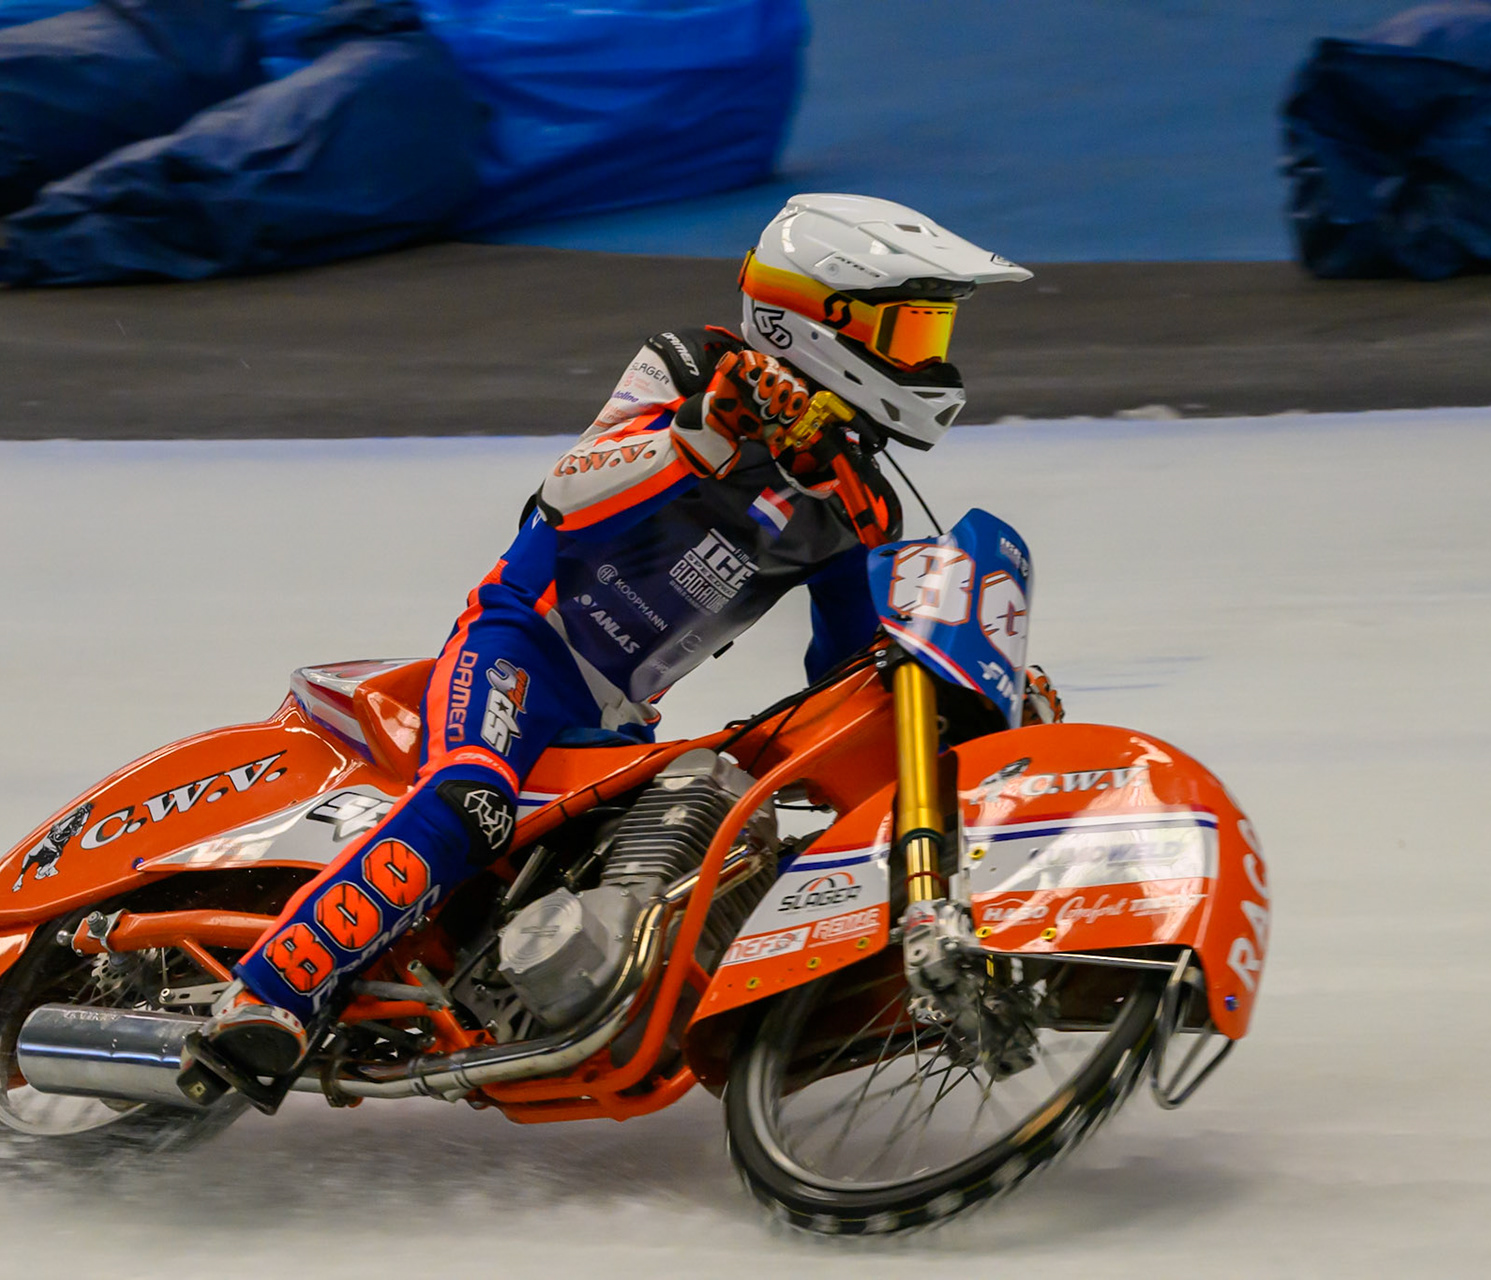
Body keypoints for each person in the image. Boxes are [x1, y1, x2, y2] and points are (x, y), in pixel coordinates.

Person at [191, 193, 1039, 1085]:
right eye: (909, 333)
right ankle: (267, 996)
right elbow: (566, 497)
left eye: (931, 336)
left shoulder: (858, 503)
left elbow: (845, 669)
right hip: (521, 646)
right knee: (470, 801)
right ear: (816, 318)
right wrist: (707, 431)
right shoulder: (690, 365)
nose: (929, 360)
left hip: (618, 716)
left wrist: (959, 688)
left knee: (686, 857)